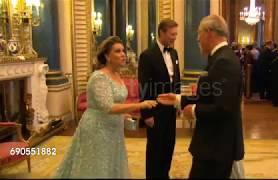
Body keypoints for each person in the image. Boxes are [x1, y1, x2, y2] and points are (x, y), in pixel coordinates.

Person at [54, 36, 157, 178]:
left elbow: (115, 103)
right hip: (97, 128)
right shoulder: (99, 77)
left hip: (114, 128)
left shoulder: (116, 75)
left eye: (123, 51)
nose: (123, 54)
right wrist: (140, 105)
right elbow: (108, 107)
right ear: (107, 56)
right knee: (95, 166)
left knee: (111, 163)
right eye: (118, 51)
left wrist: (123, 114)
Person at [157, 14, 244, 178]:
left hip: (216, 146)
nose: (198, 39)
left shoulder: (224, 61)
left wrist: (195, 111)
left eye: (199, 34)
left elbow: (224, 108)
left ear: (209, 33)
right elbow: (210, 96)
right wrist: (178, 99)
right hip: (213, 145)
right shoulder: (219, 58)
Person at [138, 19, 181, 178]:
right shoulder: (147, 55)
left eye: (176, 34)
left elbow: (176, 80)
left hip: (171, 108)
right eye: (172, 34)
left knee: (169, 145)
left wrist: (178, 103)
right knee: (155, 147)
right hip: (155, 110)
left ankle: (164, 174)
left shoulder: (174, 53)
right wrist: (146, 114)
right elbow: (143, 85)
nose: (174, 37)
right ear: (162, 32)